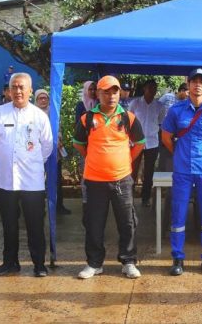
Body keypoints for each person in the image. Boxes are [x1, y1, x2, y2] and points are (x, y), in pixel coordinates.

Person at [73, 75, 145, 279]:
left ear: (119, 92)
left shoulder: (128, 118)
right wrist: (94, 159)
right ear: (98, 93)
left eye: (115, 91)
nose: (111, 95)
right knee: (94, 222)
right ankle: (94, 264)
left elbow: (139, 143)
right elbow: (78, 143)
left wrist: (125, 161)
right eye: (106, 91)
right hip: (94, 180)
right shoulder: (87, 118)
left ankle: (128, 261)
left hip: (121, 179)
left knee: (128, 222)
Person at [0, 72, 53, 277]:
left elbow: (47, 146)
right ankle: (10, 263)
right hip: (5, 180)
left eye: (22, 87)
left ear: (30, 90)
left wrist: (31, 163)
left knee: (35, 224)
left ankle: (39, 264)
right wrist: (4, 161)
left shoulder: (39, 116)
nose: (18, 91)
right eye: (14, 87)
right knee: (8, 223)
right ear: (8, 90)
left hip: (31, 180)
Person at [161, 68, 202, 276]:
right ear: (188, 85)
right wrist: (180, 153)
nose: (197, 85)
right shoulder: (176, 110)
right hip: (182, 171)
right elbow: (166, 137)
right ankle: (177, 259)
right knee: (178, 214)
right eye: (193, 81)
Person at [129, 79, 166, 207]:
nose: (152, 90)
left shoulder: (160, 106)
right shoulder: (135, 103)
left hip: (152, 143)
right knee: (132, 171)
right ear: (144, 88)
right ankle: (129, 198)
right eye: (149, 87)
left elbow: (160, 123)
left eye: (154, 88)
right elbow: (129, 122)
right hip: (136, 142)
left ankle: (146, 198)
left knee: (149, 173)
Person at [34, 89, 71, 215]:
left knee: (56, 180)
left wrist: (59, 139)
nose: (43, 100)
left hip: (54, 152)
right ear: (36, 100)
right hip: (37, 153)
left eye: (46, 98)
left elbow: (58, 128)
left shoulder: (53, 112)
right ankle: (38, 208)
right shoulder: (31, 113)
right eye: (40, 98)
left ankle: (58, 206)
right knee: (38, 181)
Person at [158, 82, 189, 171]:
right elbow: (157, 107)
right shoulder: (167, 97)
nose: (188, 96)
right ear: (182, 91)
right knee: (164, 152)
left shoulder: (185, 102)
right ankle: (162, 171)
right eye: (187, 93)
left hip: (176, 131)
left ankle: (173, 170)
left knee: (174, 151)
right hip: (164, 129)